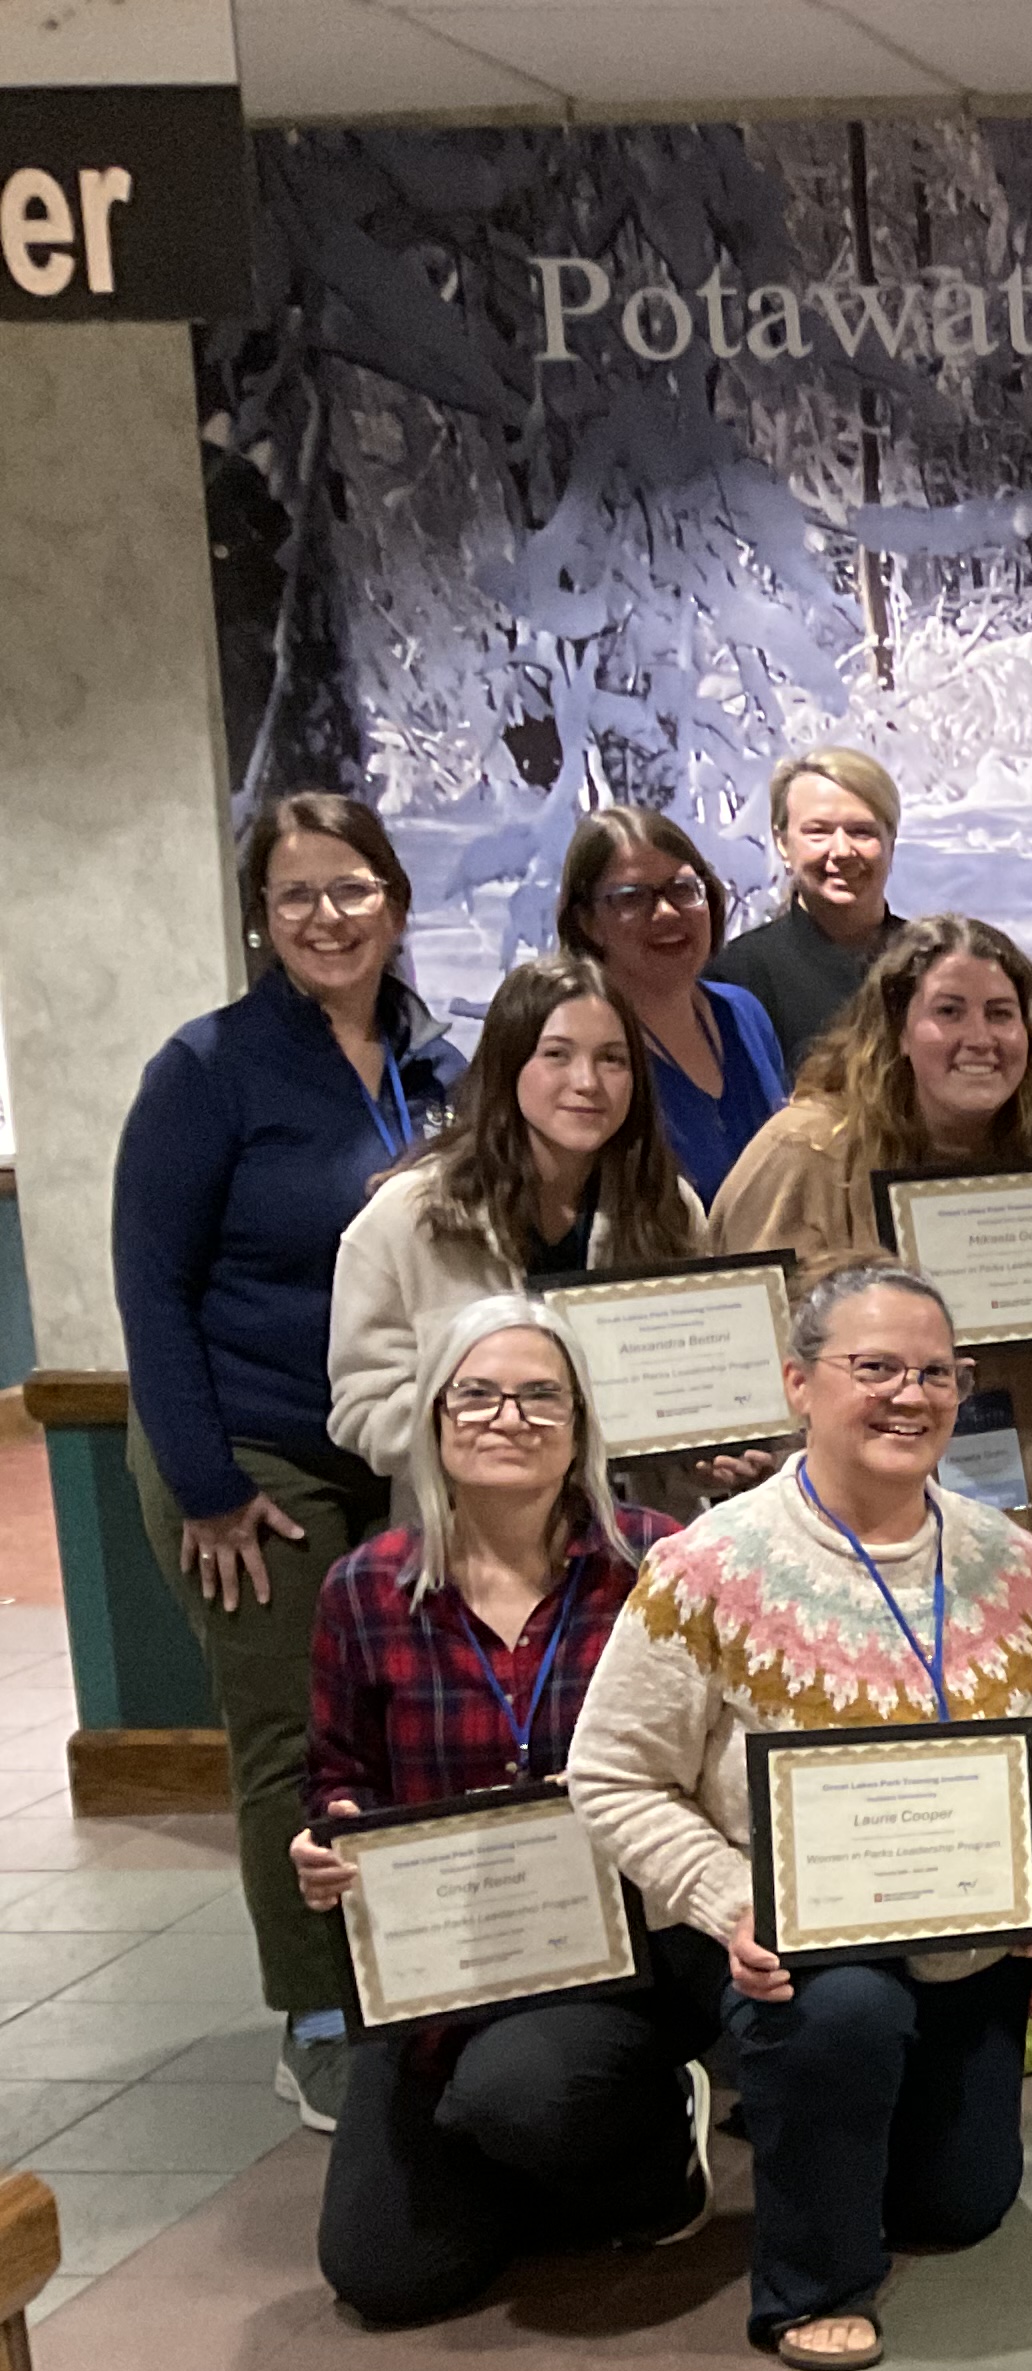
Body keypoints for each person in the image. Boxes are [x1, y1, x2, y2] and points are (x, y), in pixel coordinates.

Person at [565, 1262, 1032, 2370]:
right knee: (846, 2014)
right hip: (793, 1952)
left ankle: (852, 2132)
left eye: (937, 1374)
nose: (910, 1396)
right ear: (798, 1384)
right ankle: (812, 2279)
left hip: (965, 1942)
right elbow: (611, 1773)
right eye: (876, 1368)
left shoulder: (1013, 1565)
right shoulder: (706, 1568)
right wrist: (732, 1902)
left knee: (959, 2209)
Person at [114, 794, 467, 2129]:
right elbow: (151, 1287)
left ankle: (417, 1976)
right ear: (262, 918)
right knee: (295, 1739)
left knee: (410, 1728)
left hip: (401, 1448)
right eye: (296, 895)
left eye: (352, 889)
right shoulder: (208, 1069)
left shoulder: (436, 1062)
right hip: (254, 1458)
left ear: (396, 901)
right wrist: (208, 1486)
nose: (328, 917)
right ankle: (317, 2015)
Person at [296, 1298, 704, 2323]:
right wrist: (332, 1838)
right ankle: (520, 2150)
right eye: (475, 1395)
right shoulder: (366, 1589)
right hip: (443, 1973)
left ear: (580, 1424)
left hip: (617, 1958)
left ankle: (654, 2146)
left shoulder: (658, 1565)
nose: (507, 1418)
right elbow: (339, 1773)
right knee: (384, 2277)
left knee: (525, 2095)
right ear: (435, 1419)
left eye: (539, 1397)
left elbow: (713, 1759)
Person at [712, 916, 1032, 1548]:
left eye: (1001, 1014)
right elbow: (743, 1334)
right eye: (949, 1011)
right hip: (855, 1513)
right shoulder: (809, 1153)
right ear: (898, 1029)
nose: (979, 1038)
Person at [328, 954, 704, 1484]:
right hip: (467, 1521)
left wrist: (711, 1451)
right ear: (508, 1065)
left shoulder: (668, 1206)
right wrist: (501, 1430)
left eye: (612, 1059)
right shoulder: (408, 1217)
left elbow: (692, 1389)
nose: (587, 1082)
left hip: (637, 1523)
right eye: (556, 1055)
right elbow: (362, 1407)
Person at [555, 806, 793, 1200]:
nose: (666, 911)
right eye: (632, 898)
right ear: (588, 922)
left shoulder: (743, 1013)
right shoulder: (579, 1051)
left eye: (683, 889)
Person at [709, 746, 906, 1071]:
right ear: (783, 843)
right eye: (818, 832)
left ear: (890, 842)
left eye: (862, 831)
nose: (842, 850)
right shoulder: (740, 977)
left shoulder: (931, 962)